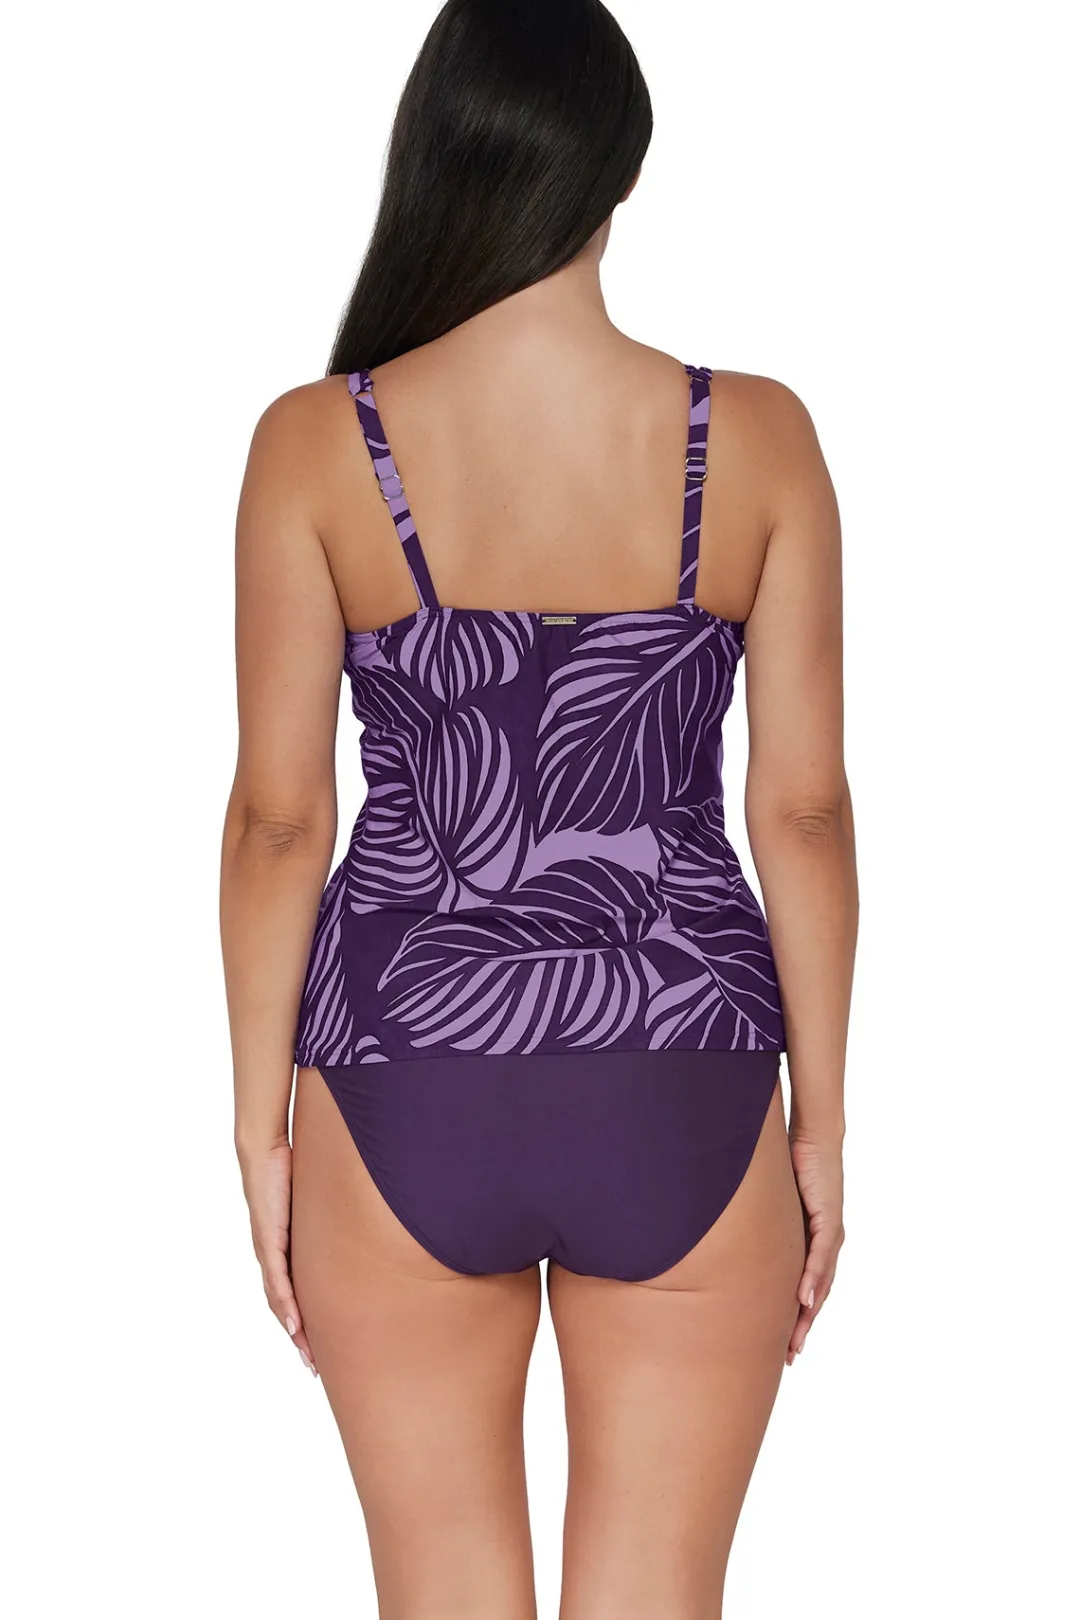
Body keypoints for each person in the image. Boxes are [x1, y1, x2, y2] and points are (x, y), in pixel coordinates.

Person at [219, 2, 857, 1614]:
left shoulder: (318, 446)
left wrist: (257, 1125)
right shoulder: (755, 438)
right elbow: (802, 812)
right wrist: (823, 1124)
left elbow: (280, 824)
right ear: (622, 165)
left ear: (435, 155)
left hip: (403, 1070)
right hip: (685, 1065)